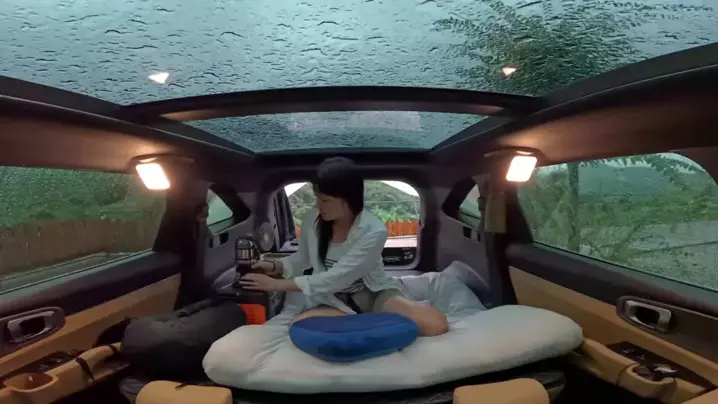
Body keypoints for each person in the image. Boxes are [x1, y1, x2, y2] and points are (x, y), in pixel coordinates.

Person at [240, 157, 449, 337]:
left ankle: (366, 320)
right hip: (331, 299)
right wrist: (272, 266)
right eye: (317, 198)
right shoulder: (312, 220)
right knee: (298, 327)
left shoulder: (373, 230)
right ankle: (365, 322)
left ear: (349, 199)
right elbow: (303, 259)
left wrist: (276, 285)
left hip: (371, 294)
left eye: (325, 200)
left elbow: (339, 277)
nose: (318, 205)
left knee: (435, 325)